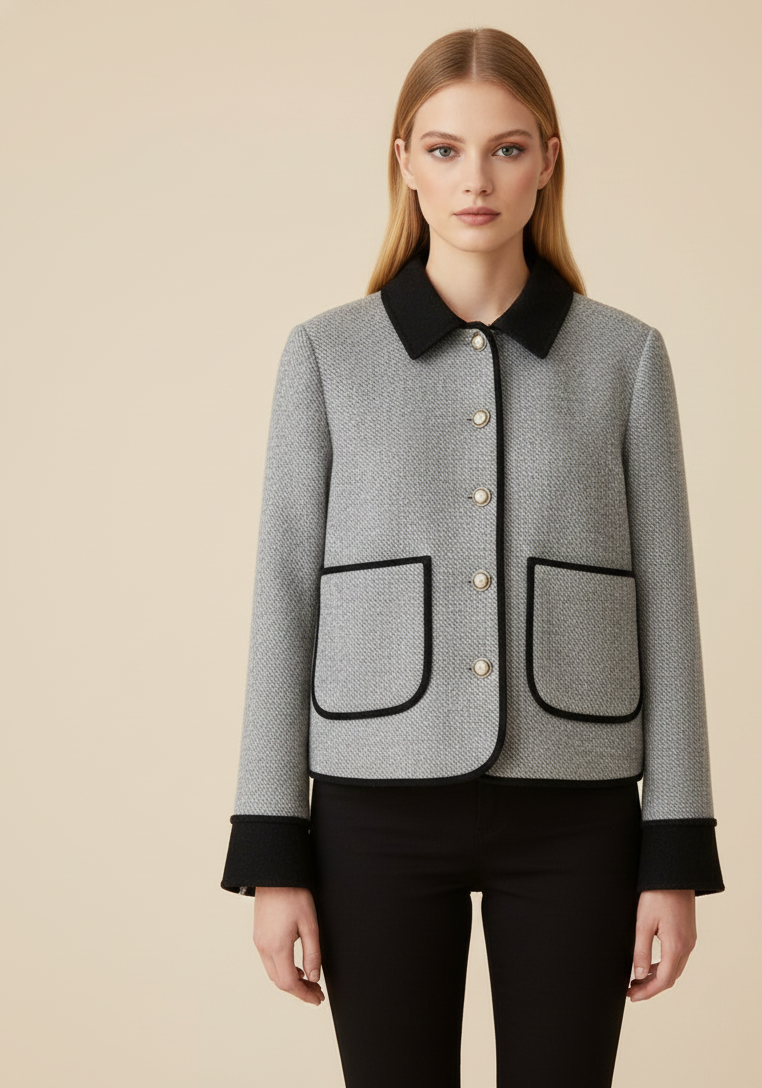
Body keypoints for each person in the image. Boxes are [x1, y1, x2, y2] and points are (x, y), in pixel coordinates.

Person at [220, 25, 725, 1088]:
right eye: (445, 149)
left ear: (548, 161)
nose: (476, 180)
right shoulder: (325, 356)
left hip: (578, 810)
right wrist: (272, 852)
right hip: (373, 809)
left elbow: (670, 608)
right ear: (405, 161)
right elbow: (283, 597)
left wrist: (675, 852)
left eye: (506, 148)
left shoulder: (626, 357)